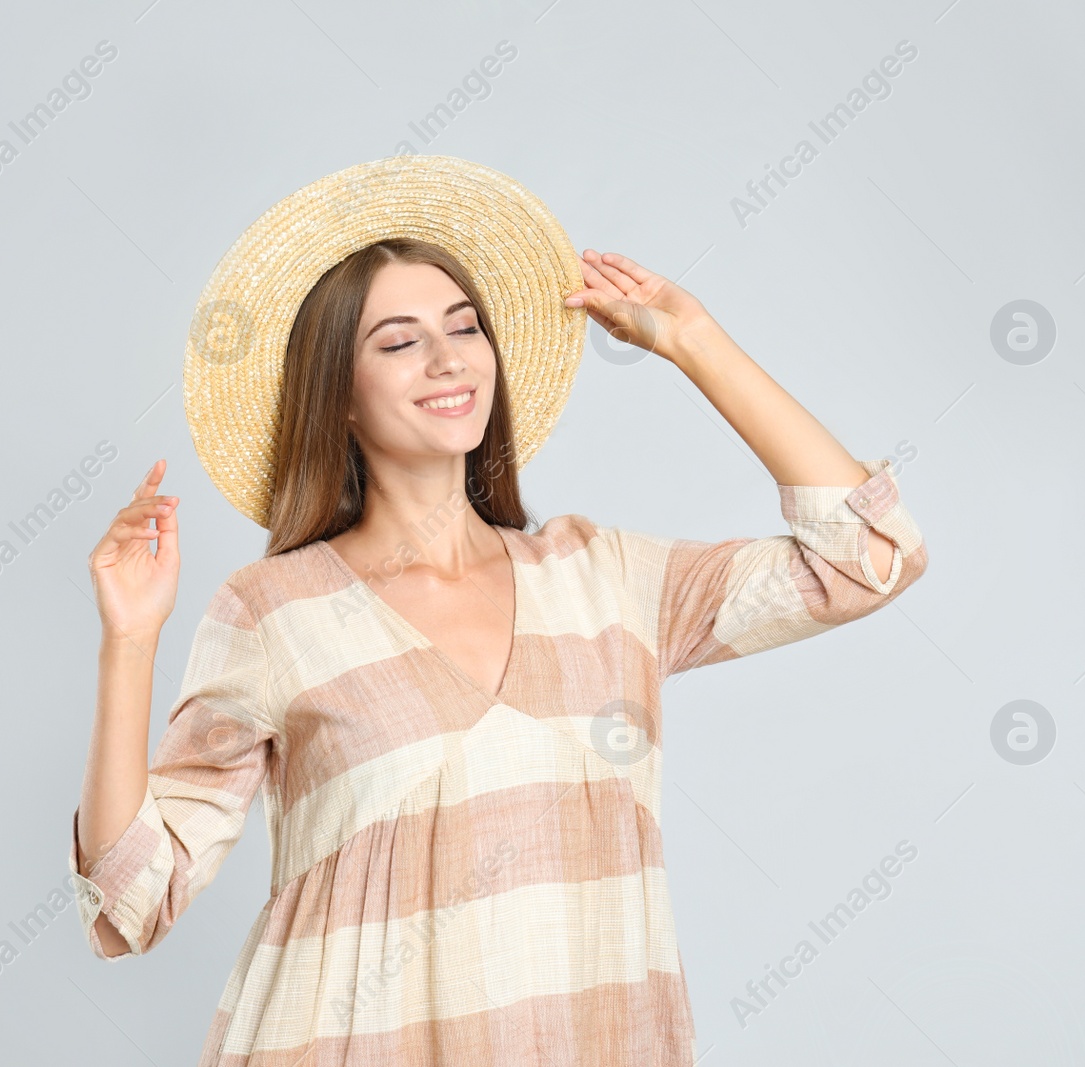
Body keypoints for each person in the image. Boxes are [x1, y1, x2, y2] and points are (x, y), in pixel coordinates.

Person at [69, 156, 928, 1066]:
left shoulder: (603, 579)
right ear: (341, 398)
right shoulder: (274, 610)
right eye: (398, 342)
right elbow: (133, 901)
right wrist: (129, 640)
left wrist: (695, 341)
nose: (447, 359)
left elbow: (868, 557)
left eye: (464, 327)